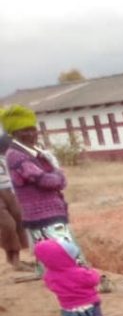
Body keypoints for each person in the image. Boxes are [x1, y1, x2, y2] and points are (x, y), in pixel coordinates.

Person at [1, 105, 84, 265]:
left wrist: (56, 176)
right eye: (24, 130)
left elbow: (52, 178)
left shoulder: (33, 151)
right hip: (43, 215)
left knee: (54, 255)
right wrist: (59, 175)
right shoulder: (16, 155)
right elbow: (44, 180)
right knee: (66, 254)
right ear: (14, 134)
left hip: (48, 212)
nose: (31, 133)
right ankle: (81, 280)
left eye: (33, 129)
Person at [34, 239, 112, 316]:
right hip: (90, 305)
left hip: (69, 309)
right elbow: (94, 279)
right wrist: (88, 270)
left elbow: (51, 287)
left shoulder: (49, 276)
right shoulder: (79, 273)